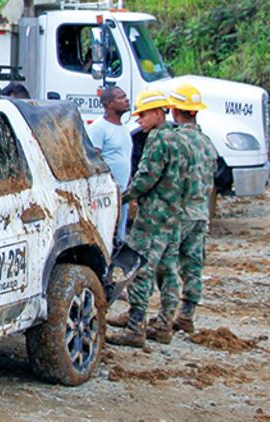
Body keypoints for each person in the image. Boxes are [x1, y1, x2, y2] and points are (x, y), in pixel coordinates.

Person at [106, 87, 196, 349]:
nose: (139, 120)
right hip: (173, 217)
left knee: (141, 270)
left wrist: (122, 198)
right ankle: (165, 324)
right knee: (168, 271)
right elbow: (191, 181)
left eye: (143, 115)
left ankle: (135, 328)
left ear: (158, 113)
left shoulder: (158, 141)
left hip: (153, 218)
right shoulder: (181, 140)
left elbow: (146, 177)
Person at [154, 82, 219, 338]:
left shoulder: (176, 141)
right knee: (192, 266)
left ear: (174, 111)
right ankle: (186, 315)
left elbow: (167, 179)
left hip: (178, 213)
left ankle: (164, 319)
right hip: (200, 213)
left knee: (166, 266)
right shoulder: (207, 143)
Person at [87, 86, 132, 245]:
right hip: (108, 193)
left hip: (122, 191)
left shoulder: (123, 127)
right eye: (121, 97)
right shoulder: (99, 128)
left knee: (119, 235)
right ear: (109, 104)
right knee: (107, 236)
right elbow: (93, 159)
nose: (126, 100)